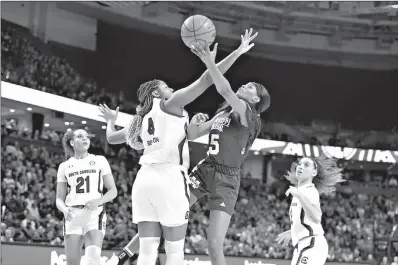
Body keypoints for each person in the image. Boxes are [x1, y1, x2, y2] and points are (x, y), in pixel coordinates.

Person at [100, 29, 259, 265]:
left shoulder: (139, 119)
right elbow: (208, 81)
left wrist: (111, 121)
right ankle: (124, 257)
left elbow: (112, 139)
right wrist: (225, 56)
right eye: (166, 86)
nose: (172, 89)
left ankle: (120, 258)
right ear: (157, 93)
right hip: (172, 176)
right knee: (175, 250)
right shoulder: (170, 104)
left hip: (145, 177)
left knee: (149, 247)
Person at [183, 34, 271, 265]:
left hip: (227, 179)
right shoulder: (223, 114)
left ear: (256, 100)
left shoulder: (249, 115)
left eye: (250, 87)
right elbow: (193, 135)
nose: (245, 85)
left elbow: (224, 90)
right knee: (170, 213)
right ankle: (128, 256)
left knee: (213, 245)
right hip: (206, 169)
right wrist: (194, 121)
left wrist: (209, 63)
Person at [56, 129, 117, 265]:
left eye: (87, 136)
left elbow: (113, 191)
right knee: (72, 263)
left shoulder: (99, 160)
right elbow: (58, 199)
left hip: (95, 213)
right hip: (73, 215)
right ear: (72, 142)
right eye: (80, 136)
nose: (85, 139)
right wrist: (64, 210)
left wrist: (98, 201)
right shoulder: (64, 166)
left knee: (93, 258)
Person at [275, 156, 344, 265]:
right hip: (304, 245)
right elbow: (307, 222)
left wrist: (298, 194)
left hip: (311, 244)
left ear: (314, 172)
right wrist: (292, 232)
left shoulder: (309, 191)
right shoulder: (302, 191)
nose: (300, 166)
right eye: (300, 164)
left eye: (306, 165)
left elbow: (316, 217)